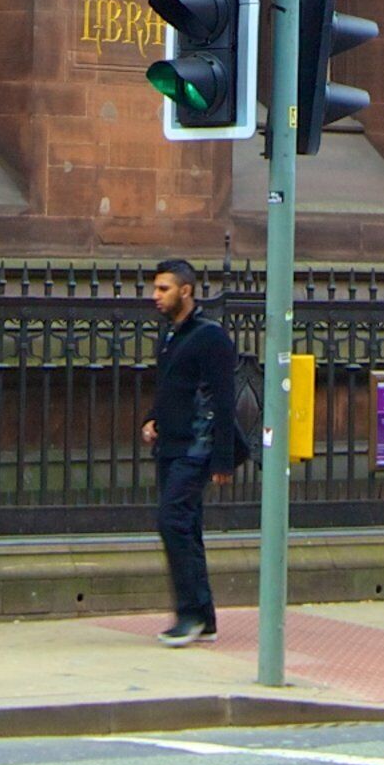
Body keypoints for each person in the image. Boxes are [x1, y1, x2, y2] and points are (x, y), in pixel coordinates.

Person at [140, 257, 249, 647]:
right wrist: (153, 418)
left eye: (163, 289)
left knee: (172, 521)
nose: (156, 296)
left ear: (186, 290)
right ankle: (204, 617)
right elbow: (173, 387)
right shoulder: (173, 335)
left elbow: (223, 400)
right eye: (155, 288)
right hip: (172, 445)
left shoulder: (210, 337)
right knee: (188, 528)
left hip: (197, 448)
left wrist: (221, 459)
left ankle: (189, 615)